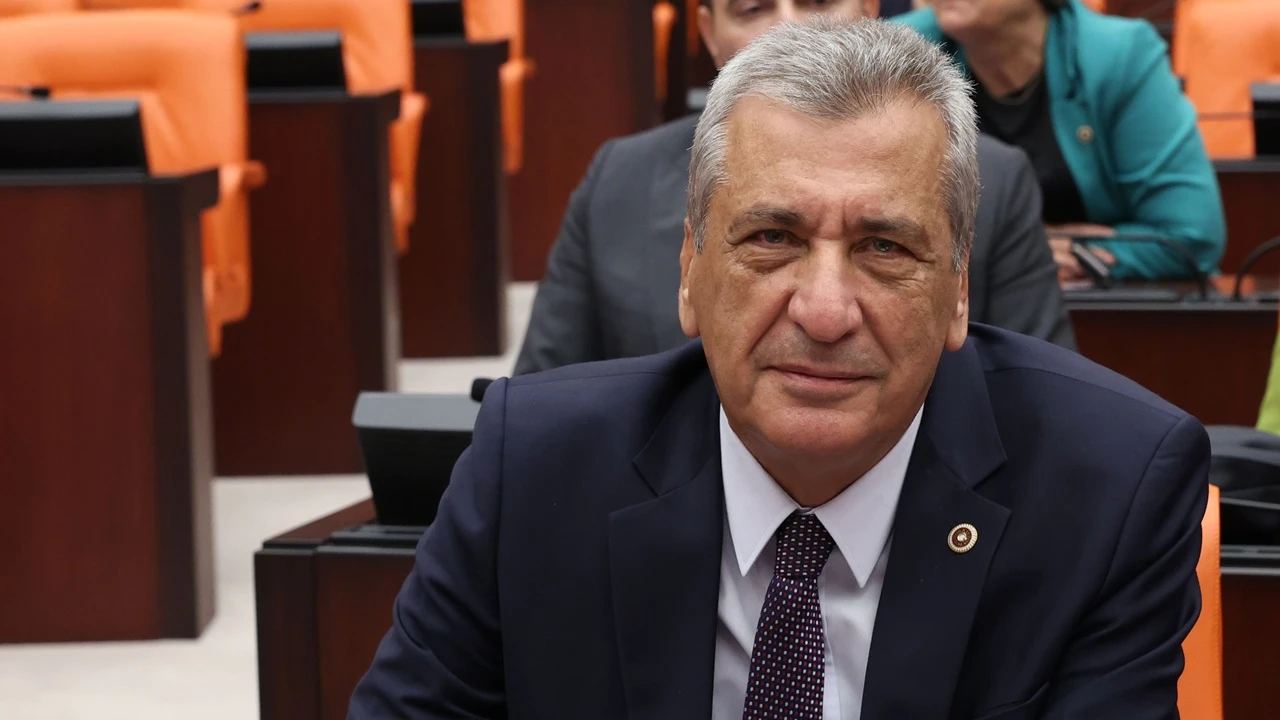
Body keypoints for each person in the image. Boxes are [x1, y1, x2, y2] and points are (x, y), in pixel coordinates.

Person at [350, 19, 1208, 719]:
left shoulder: (1111, 490)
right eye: (772, 239)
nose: (825, 313)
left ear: (957, 291)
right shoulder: (532, 468)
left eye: (884, 248)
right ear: (689, 272)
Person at [513, 0, 1074, 377]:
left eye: (818, 0)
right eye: (752, 8)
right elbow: (547, 409)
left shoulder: (994, 179)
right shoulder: (620, 180)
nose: (789, 29)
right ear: (709, 33)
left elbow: (1042, 408)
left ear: (870, 12)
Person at [894, 0, 1226, 282]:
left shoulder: (1119, 55)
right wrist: (1027, 250)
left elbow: (1192, 237)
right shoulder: (901, 52)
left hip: (1106, 316)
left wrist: (1080, 251)